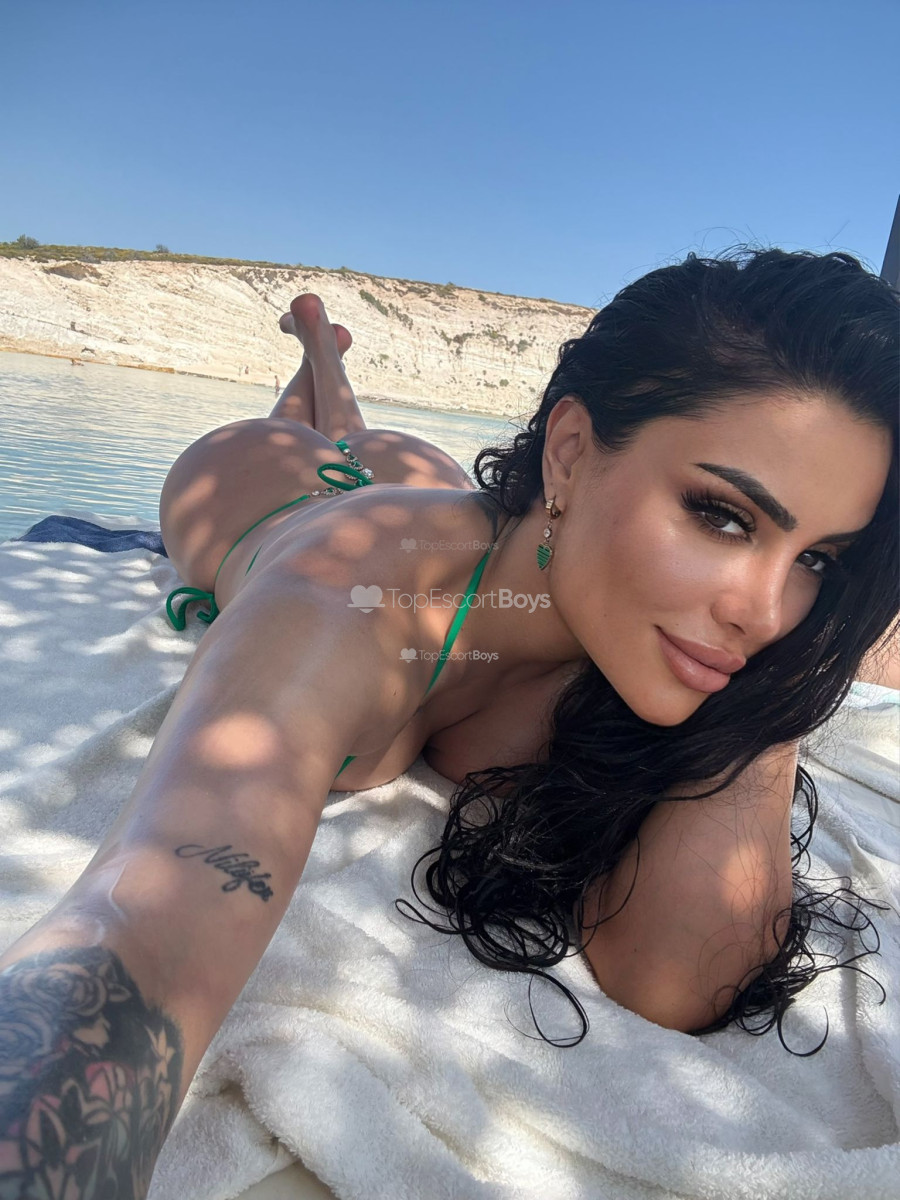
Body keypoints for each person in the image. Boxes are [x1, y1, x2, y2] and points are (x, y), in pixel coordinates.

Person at [1, 247, 897, 1199]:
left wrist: (778, 699)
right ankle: (317, 353)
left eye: (819, 560)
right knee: (306, 441)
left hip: (429, 483)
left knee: (373, 444)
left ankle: (331, 364)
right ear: (569, 454)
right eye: (722, 516)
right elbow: (151, 919)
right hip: (261, 483)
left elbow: (679, 976)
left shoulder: (679, 643)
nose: (766, 612)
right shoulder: (341, 605)